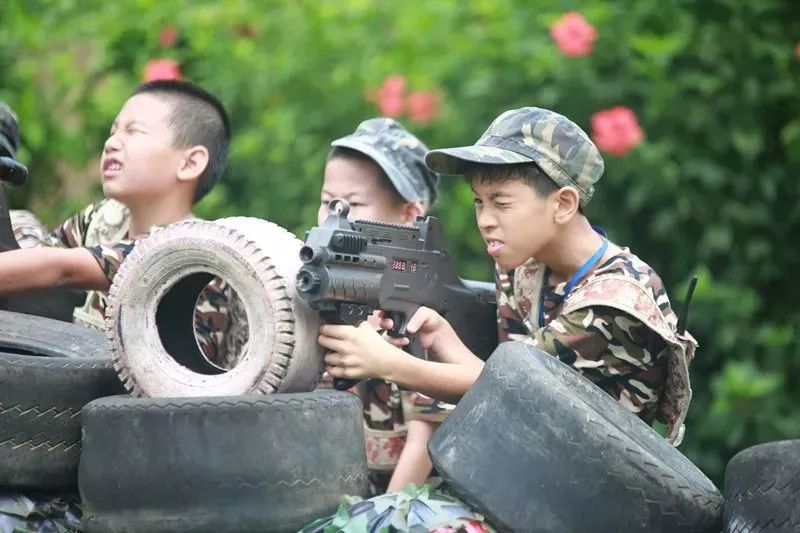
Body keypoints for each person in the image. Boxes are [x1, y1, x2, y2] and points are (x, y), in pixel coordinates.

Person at [318, 107, 697, 445]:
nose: (485, 220)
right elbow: (497, 379)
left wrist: (388, 364)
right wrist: (442, 337)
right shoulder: (523, 267)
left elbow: (511, 390)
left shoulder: (614, 300)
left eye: (501, 203)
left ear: (564, 204)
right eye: (479, 202)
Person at [0, 81, 246, 364]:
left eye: (133, 131)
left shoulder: (197, 250)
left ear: (190, 163)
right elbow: (32, 262)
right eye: (113, 131)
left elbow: (62, 269)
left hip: (154, 389)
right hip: (84, 374)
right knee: (21, 223)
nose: (111, 143)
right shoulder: (105, 218)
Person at [317, 117, 452, 494]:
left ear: (409, 215)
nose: (335, 216)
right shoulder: (322, 287)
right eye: (328, 202)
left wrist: (381, 517)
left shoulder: (427, 303)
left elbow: (427, 434)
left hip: (412, 505)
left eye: (353, 204)